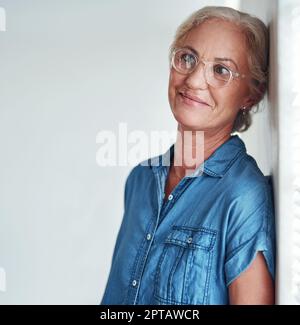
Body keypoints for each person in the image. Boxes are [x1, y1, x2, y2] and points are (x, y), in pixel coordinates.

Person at [101, 6, 275, 305]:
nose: (194, 80)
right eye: (187, 58)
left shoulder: (243, 195)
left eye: (221, 70)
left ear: (251, 94)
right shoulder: (140, 180)